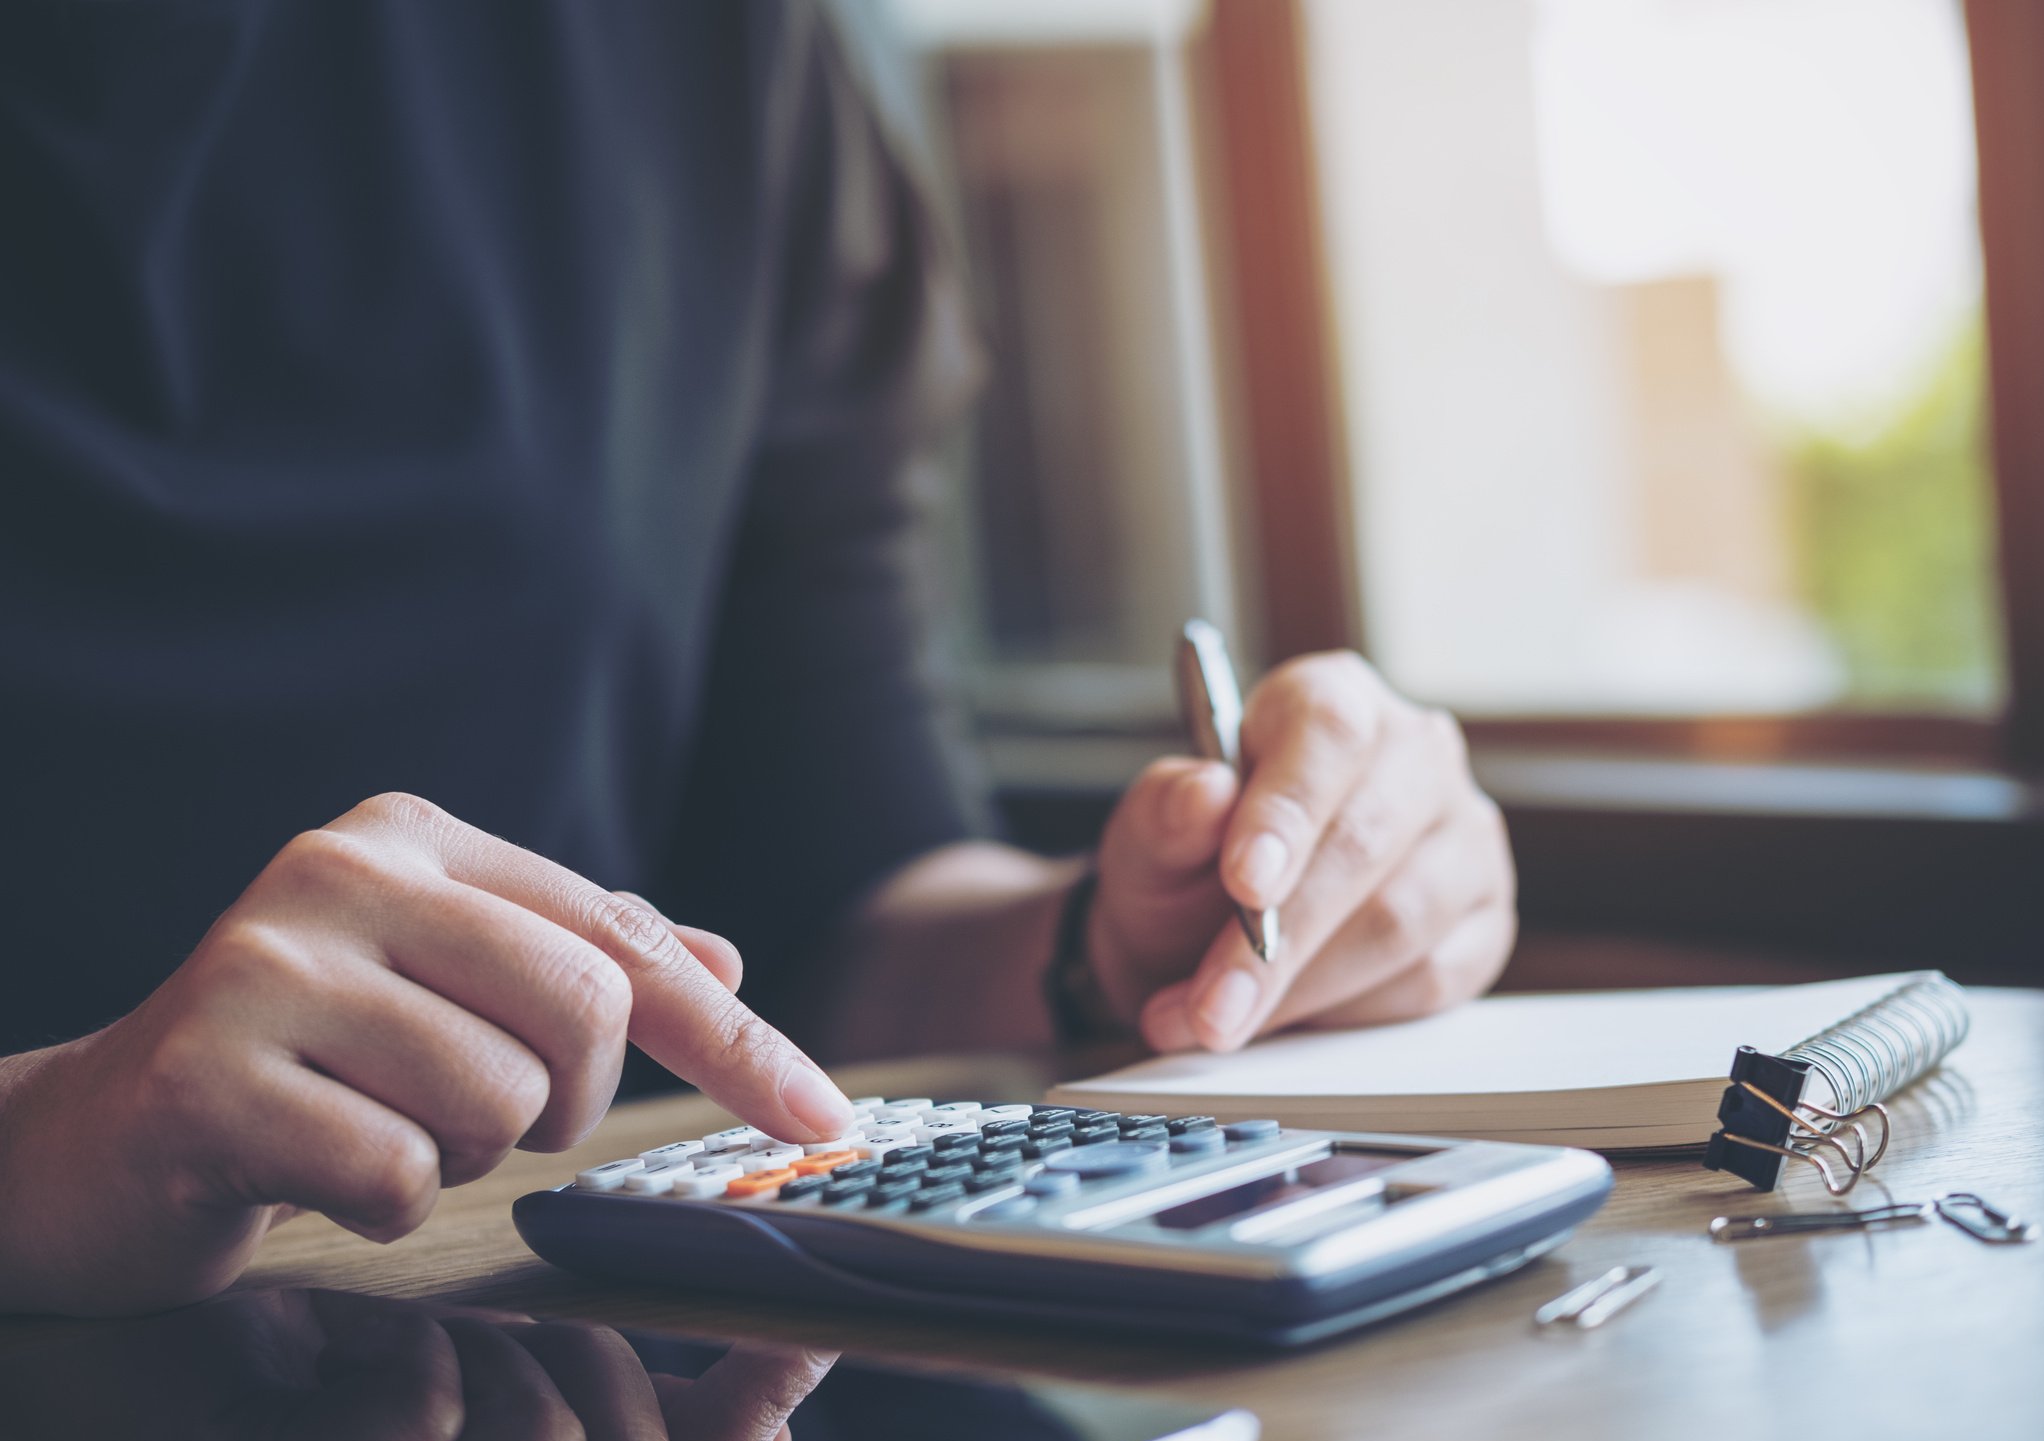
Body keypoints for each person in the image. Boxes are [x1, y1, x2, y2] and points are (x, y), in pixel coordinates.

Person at [0, 2, 1514, 1317]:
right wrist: (49, 1140)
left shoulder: (702, 41)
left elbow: (836, 891)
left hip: (544, 1385)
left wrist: (1121, 942)